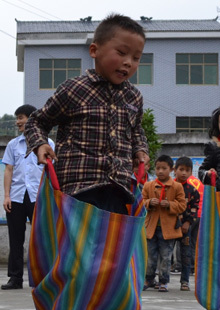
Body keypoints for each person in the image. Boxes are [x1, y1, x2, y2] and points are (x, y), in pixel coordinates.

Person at [25, 13, 150, 214]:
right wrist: (40, 144)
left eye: (136, 58)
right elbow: (37, 122)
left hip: (118, 190)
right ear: (94, 50)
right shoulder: (74, 89)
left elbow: (136, 131)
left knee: (111, 244)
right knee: (76, 245)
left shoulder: (134, 97)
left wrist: (141, 150)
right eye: (121, 53)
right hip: (77, 189)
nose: (128, 62)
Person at [1, 104, 54, 290]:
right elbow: (8, 170)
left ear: (32, 119)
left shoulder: (48, 144)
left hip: (39, 197)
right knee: (15, 239)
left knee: (40, 238)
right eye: (17, 118)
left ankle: (41, 277)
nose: (18, 122)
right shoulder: (13, 145)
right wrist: (6, 196)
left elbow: (52, 172)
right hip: (16, 197)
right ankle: (15, 278)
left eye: (21, 117)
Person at [142, 155, 186, 292]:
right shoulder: (148, 186)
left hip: (168, 228)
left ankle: (163, 281)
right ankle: (149, 279)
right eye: (158, 168)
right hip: (151, 227)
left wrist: (170, 205)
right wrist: (149, 203)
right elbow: (141, 202)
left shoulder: (177, 186)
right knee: (150, 256)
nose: (160, 171)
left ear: (171, 170)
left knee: (166, 257)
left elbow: (182, 205)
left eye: (164, 168)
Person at [173, 157, 203, 292]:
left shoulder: (193, 190)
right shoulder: (169, 187)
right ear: (175, 170)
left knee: (186, 254)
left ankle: (185, 281)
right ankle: (162, 280)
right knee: (165, 253)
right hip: (169, 227)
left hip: (186, 226)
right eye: (181, 170)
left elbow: (194, 208)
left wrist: (187, 222)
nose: (184, 173)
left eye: (187, 170)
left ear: (191, 172)